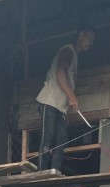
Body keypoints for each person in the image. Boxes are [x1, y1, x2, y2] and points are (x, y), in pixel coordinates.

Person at [35, 25, 96, 172]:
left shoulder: (75, 56)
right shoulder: (68, 50)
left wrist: (69, 97)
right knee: (48, 137)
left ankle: (55, 171)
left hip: (60, 108)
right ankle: (41, 172)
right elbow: (60, 74)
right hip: (49, 101)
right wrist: (72, 96)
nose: (91, 43)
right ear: (81, 35)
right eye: (90, 39)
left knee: (61, 141)